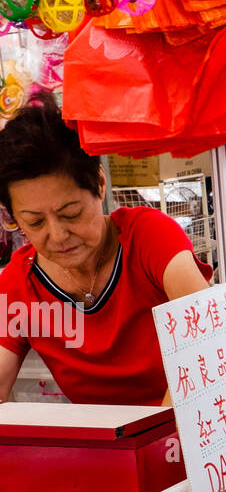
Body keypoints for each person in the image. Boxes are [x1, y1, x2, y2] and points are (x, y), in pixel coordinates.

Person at [0, 93, 212, 406]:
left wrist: (157, 439)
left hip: (184, 432)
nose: (57, 235)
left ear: (99, 184)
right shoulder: (21, 282)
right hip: (101, 449)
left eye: (71, 213)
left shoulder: (149, 238)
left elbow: (207, 335)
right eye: (34, 222)